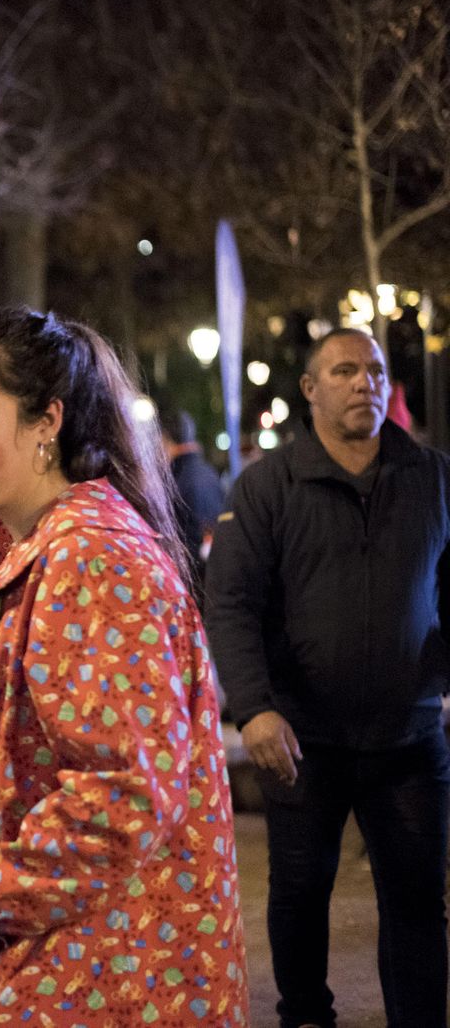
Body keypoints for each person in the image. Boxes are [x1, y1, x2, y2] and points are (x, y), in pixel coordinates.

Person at [0, 305, 247, 1025]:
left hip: (115, 956)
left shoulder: (88, 559)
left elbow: (123, 792)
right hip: (78, 937)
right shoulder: (50, 548)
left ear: (46, 423)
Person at [208, 327, 450, 1028]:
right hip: (302, 740)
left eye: (374, 370)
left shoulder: (432, 478)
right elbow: (231, 602)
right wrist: (252, 707)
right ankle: (306, 1015)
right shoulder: (266, 487)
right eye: (345, 371)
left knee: (417, 902)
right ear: (311, 389)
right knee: (300, 893)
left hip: (408, 737)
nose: (364, 382)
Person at [158, 406, 225, 595]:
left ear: (165, 439)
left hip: (194, 586)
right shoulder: (209, 473)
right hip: (216, 579)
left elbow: (189, 542)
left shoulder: (178, 481)